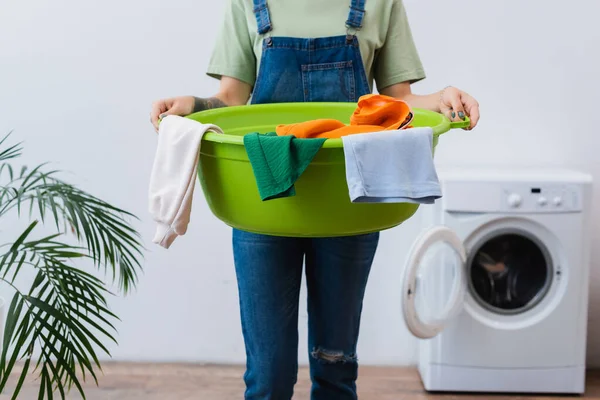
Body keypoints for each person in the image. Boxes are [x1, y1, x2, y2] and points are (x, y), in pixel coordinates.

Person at [150, 0, 480, 398]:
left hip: (347, 200)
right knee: (267, 379)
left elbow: (399, 103)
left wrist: (445, 97)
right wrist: (195, 106)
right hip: (264, 202)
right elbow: (231, 100)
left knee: (336, 369)